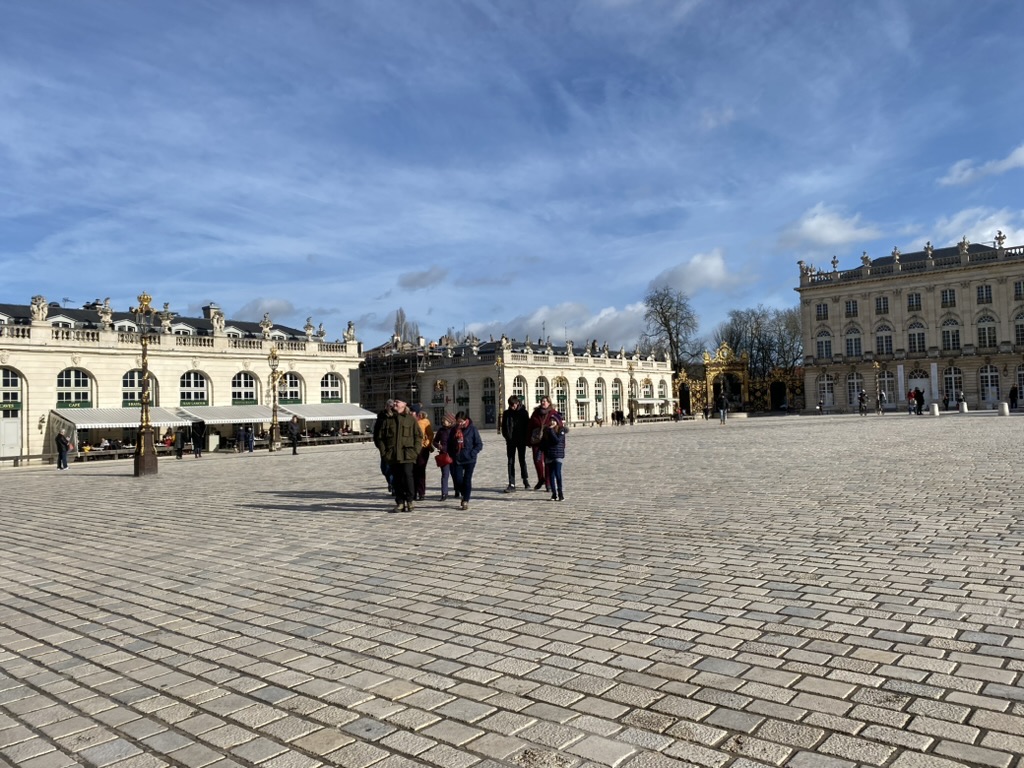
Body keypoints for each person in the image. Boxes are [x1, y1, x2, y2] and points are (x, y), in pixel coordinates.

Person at [375, 397, 422, 513]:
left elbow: (418, 436)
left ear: (404, 404)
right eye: (394, 402)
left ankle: (410, 501)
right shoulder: (388, 420)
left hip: (408, 455)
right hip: (393, 455)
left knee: (408, 477)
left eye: (397, 402)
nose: (395, 403)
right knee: (397, 479)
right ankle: (400, 502)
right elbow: (380, 438)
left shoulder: (410, 420)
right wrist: (384, 452)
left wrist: (415, 451)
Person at [449, 410, 482, 510]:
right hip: (458, 459)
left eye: (461, 422)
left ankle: (465, 500)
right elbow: (450, 444)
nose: (460, 424)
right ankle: (464, 493)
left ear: (465, 420)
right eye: (458, 422)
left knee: (467, 480)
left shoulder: (472, 429)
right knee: (458, 480)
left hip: (469, 459)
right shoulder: (454, 430)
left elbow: (479, 444)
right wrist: (451, 455)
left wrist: (472, 453)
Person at [501, 395, 530, 492]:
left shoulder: (524, 413)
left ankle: (525, 479)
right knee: (510, 462)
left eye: (513, 405)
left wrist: (526, 439)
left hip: (521, 440)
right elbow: (504, 427)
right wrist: (507, 437)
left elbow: (527, 427)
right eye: (510, 405)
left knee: (522, 460)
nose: (511, 407)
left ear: (517, 403)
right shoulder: (506, 413)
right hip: (510, 441)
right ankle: (511, 483)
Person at [529, 396, 556, 491]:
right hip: (537, 440)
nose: (543, 402)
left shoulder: (553, 413)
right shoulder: (536, 413)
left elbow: (559, 424)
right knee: (537, 460)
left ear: (549, 403)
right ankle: (541, 479)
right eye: (542, 401)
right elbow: (530, 426)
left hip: (548, 440)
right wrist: (528, 439)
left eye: (545, 401)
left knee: (548, 462)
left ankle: (548, 483)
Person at [541, 408, 567, 501]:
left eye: (554, 420)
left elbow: (557, 440)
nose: (552, 422)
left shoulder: (561, 430)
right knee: (551, 476)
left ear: (557, 421)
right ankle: (554, 494)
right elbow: (543, 443)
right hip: (549, 455)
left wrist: (551, 430)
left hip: (558, 455)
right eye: (551, 420)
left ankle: (560, 493)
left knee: (558, 474)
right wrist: (540, 453)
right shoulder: (546, 430)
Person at [372, 399, 396, 494]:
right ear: (386, 406)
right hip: (384, 446)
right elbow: (376, 433)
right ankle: (390, 482)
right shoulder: (381, 417)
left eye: (392, 406)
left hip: (394, 446)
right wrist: (378, 445)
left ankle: (394, 486)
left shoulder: (396, 417)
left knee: (394, 468)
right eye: (389, 406)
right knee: (384, 468)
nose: (391, 408)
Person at [433, 413, 456, 501]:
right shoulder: (441, 430)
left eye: (445, 420)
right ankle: (444, 493)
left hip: (454, 455)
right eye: (442, 420)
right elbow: (434, 441)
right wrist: (438, 446)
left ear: (450, 421)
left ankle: (457, 490)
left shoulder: (455, 429)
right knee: (445, 475)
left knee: (455, 474)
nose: (443, 422)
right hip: (444, 455)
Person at [413, 406, 433, 501]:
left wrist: (427, 443)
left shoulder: (424, 421)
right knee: (412, 471)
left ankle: (421, 492)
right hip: (411, 449)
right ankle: (413, 492)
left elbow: (430, 434)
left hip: (422, 449)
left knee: (420, 470)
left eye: (413, 412)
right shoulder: (409, 421)